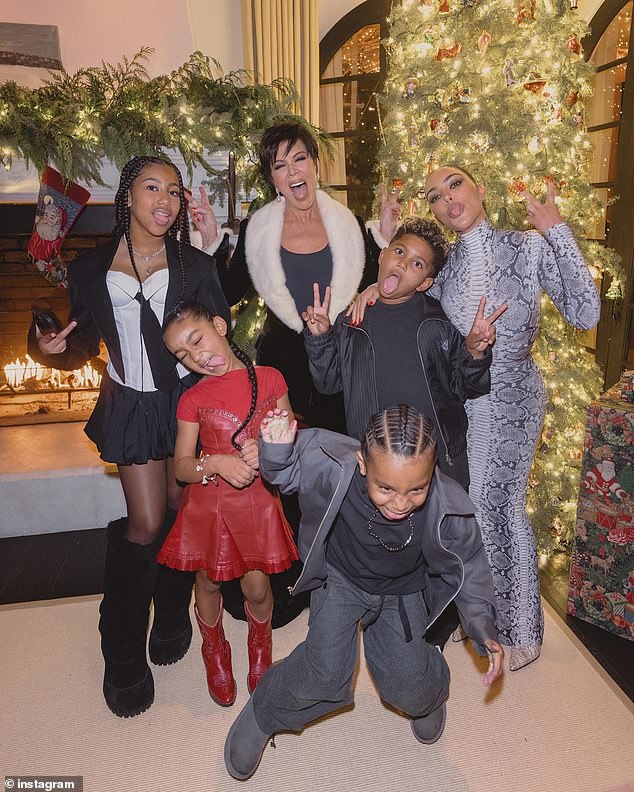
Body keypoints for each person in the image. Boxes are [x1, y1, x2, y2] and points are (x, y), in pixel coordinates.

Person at [356, 167, 601, 670]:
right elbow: (402, 290)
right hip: (461, 405)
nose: (447, 199)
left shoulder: (529, 247)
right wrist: (369, 290)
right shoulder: (442, 273)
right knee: (465, 511)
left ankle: (522, 627)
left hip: (513, 396)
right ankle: (473, 617)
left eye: (455, 185)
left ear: (480, 189)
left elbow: (586, 312)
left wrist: (557, 231)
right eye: (435, 196)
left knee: (501, 506)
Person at [27, 156, 231, 717]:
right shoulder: (91, 268)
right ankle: (121, 650)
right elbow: (80, 339)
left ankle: (169, 614)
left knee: (178, 508)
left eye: (173, 190)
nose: (163, 199)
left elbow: (220, 334)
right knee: (145, 522)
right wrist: (50, 349)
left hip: (185, 402)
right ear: (128, 195)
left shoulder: (193, 263)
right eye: (151, 187)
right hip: (132, 403)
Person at [223, 405, 504, 782]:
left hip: (402, 591)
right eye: (385, 488)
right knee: (324, 672)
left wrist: (483, 625)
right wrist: (275, 448)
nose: (400, 503)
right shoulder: (333, 463)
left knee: (410, 684)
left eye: (415, 489)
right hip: (340, 579)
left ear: (432, 471)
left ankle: (429, 693)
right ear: (362, 463)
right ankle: (263, 712)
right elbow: (285, 475)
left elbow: (469, 564)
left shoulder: (447, 505)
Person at [192, 120, 383, 624]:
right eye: (280, 164)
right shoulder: (261, 228)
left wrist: (381, 246)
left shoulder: (351, 223)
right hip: (281, 368)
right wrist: (213, 243)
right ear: (272, 178)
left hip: (343, 362)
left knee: (346, 466)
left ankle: (346, 581)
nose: (293, 171)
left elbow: (388, 283)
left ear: (316, 163)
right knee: (285, 473)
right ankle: (293, 578)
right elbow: (225, 294)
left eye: (300, 158)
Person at [157, 302, 298, 706]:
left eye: (196, 339)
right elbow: (182, 467)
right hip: (210, 503)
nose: (195, 355)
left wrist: (268, 449)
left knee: (256, 587)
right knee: (209, 580)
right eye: (182, 354)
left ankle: (259, 642)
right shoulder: (192, 399)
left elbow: (290, 436)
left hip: (254, 501)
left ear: (220, 325)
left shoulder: (270, 378)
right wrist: (216, 462)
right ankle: (213, 646)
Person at [302, 216, 505, 491]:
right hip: (374, 469)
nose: (403, 264)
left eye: (417, 264)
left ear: (424, 283)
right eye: (399, 252)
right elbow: (328, 383)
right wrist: (320, 338)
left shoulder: (438, 324)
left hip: (439, 468)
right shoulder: (352, 321)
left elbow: (467, 386)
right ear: (383, 255)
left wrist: (474, 352)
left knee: (438, 534)